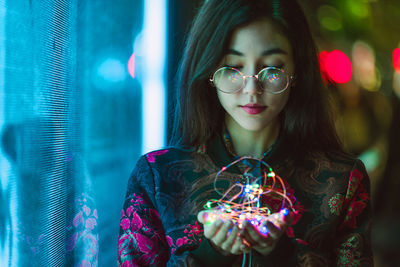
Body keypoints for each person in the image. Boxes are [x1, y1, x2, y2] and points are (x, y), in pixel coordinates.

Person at [117, 0, 373, 266]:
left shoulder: (342, 181)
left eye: (272, 67)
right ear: (209, 71)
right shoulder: (156, 177)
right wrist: (208, 256)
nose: (252, 88)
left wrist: (282, 254)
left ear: (297, 69)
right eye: (234, 67)